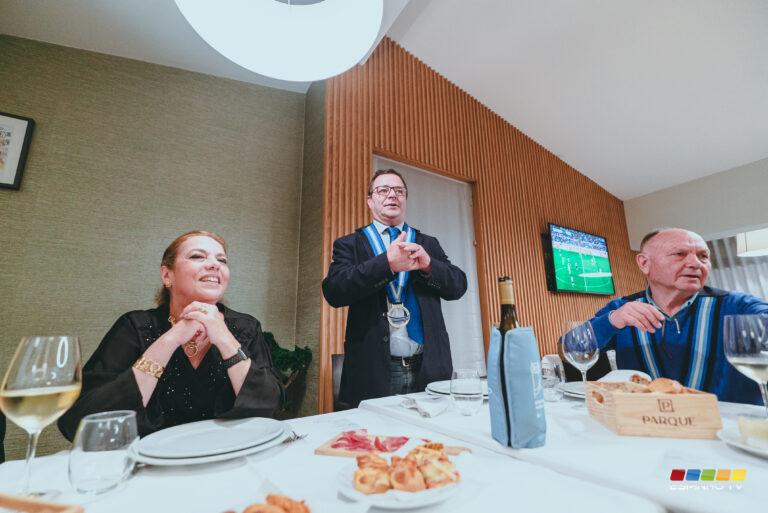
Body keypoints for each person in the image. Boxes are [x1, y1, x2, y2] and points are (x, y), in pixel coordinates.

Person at [58, 231, 283, 440]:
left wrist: (224, 338)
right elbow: (80, 424)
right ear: (167, 275)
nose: (215, 264)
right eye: (197, 256)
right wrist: (170, 339)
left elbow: (270, 408)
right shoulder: (136, 326)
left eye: (222, 260)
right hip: (148, 463)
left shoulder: (246, 327)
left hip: (230, 455)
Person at [322, 169, 467, 407]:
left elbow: (458, 286)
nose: (392, 195)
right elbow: (334, 292)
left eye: (399, 191)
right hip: (373, 371)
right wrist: (386, 265)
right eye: (383, 190)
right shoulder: (350, 244)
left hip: (429, 368)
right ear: (370, 200)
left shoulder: (427, 243)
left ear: (405, 200)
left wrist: (429, 266)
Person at [582, 227, 768, 404]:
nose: (696, 263)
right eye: (680, 254)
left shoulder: (737, 304)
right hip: (647, 421)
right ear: (644, 263)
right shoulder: (621, 309)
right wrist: (612, 320)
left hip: (726, 424)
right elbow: (573, 349)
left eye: (703, 256)